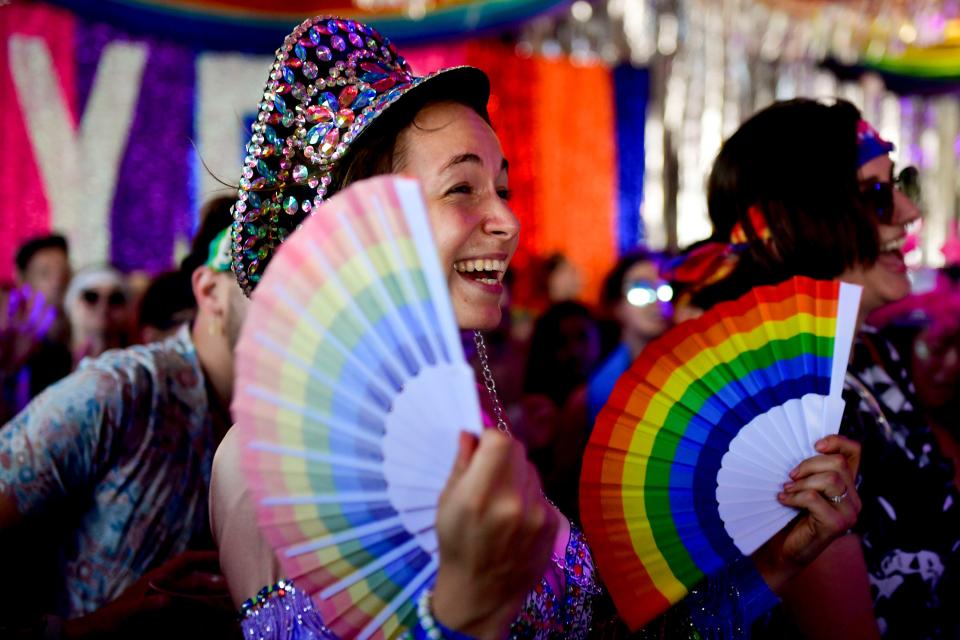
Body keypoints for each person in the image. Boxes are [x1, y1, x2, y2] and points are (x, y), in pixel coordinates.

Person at [210, 17, 864, 640]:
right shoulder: (271, 459)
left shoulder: (465, 425)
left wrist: (778, 560)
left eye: (503, 189)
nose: (506, 221)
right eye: (462, 188)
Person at [673, 98, 957, 638]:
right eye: (875, 196)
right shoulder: (783, 408)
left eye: (900, 184)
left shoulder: (875, 354)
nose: (909, 211)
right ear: (795, 222)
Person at [0, 220, 244, 637]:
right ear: (210, 292)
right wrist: (82, 631)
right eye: (279, 274)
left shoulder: (293, 437)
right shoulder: (123, 390)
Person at [63, 265, 131, 364]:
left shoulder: (137, 367)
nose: (103, 307)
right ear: (71, 305)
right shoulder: (45, 363)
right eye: (91, 297)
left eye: (115, 299)